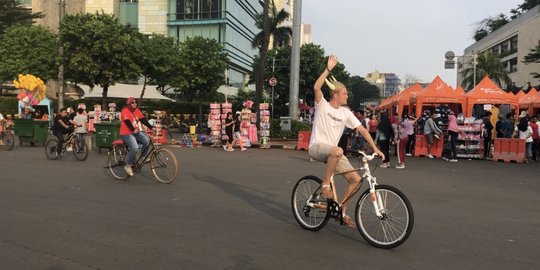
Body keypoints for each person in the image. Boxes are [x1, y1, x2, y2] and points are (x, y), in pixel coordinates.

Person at [308, 55, 384, 228]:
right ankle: (326, 184)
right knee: (337, 150)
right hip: (317, 147)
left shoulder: (346, 113)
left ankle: (341, 211)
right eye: (344, 94)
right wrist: (328, 69)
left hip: (334, 152)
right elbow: (316, 86)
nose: (347, 96)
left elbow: (363, 130)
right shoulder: (323, 105)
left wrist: (375, 148)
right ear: (335, 94)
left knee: (356, 180)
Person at [120, 97, 154, 176]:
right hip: (126, 133)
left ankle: (143, 157)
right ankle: (128, 166)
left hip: (135, 132)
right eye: (132, 102)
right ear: (129, 104)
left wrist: (151, 127)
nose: (135, 103)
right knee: (135, 148)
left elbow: (143, 120)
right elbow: (127, 121)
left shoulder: (137, 110)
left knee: (147, 141)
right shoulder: (125, 110)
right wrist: (132, 129)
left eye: (135, 102)